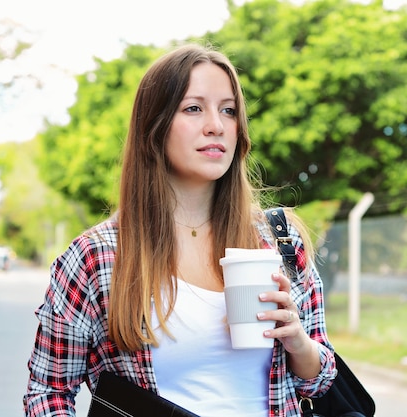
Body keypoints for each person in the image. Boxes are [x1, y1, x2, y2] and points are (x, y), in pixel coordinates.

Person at [23, 43, 336, 417]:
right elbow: (48, 391)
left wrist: (298, 341)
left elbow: (320, 381)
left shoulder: (279, 240)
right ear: (154, 128)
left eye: (228, 110)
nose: (216, 125)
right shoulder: (96, 258)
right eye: (193, 108)